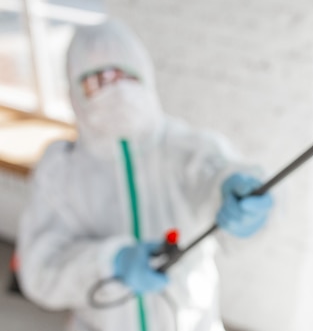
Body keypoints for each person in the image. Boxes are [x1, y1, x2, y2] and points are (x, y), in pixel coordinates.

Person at [17, 20, 274, 331]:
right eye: (97, 80)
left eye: (123, 75)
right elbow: (39, 273)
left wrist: (241, 198)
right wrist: (109, 262)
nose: (114, 89)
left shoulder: (190, 149)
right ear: (74, 92)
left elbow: (217, 177)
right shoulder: (60, 171)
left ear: (145, 77)